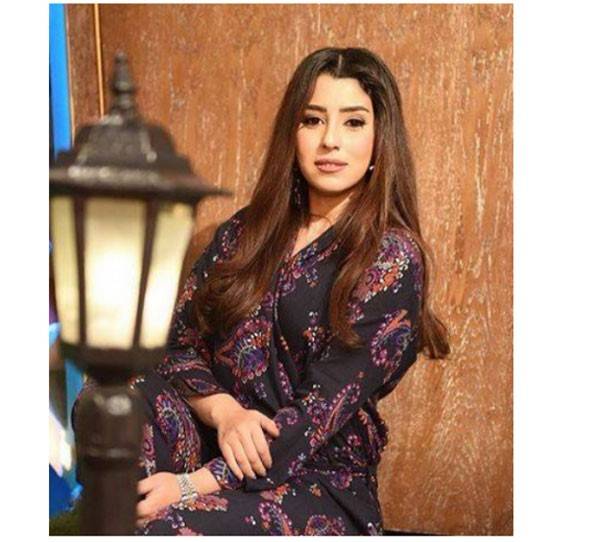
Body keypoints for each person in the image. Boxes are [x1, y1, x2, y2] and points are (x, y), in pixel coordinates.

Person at [77, 46, 450, 535]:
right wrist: (227, 413)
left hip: (313, 479)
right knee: (111, 397)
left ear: (381, 140)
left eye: (353, 123)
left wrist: (189, 487)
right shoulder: (245, 233)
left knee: (168, 526)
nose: (330, 140)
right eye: (313, 120)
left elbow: (316, 417)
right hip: (211, 442)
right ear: (292, 133)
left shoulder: (391, 259)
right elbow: (175, 344)